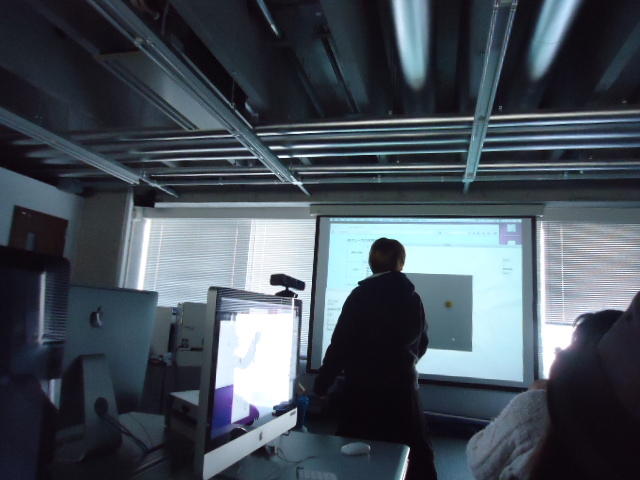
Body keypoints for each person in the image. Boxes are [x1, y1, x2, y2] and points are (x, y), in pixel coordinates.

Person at [313, 238, 437, 480]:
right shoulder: (413, 298)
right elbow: (422, 343)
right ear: (401, 264)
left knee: (351, 463)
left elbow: (340, 346)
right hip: (402, 393)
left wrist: (321, 385)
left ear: (371, 263)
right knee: (417, 462)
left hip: (360, 393)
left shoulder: (360, 296)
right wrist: (403, 365)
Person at [466, 309, 623, 480]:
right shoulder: (627, 422)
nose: (561, 352)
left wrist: (533, 395)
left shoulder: (538, 405)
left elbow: (478, 462)